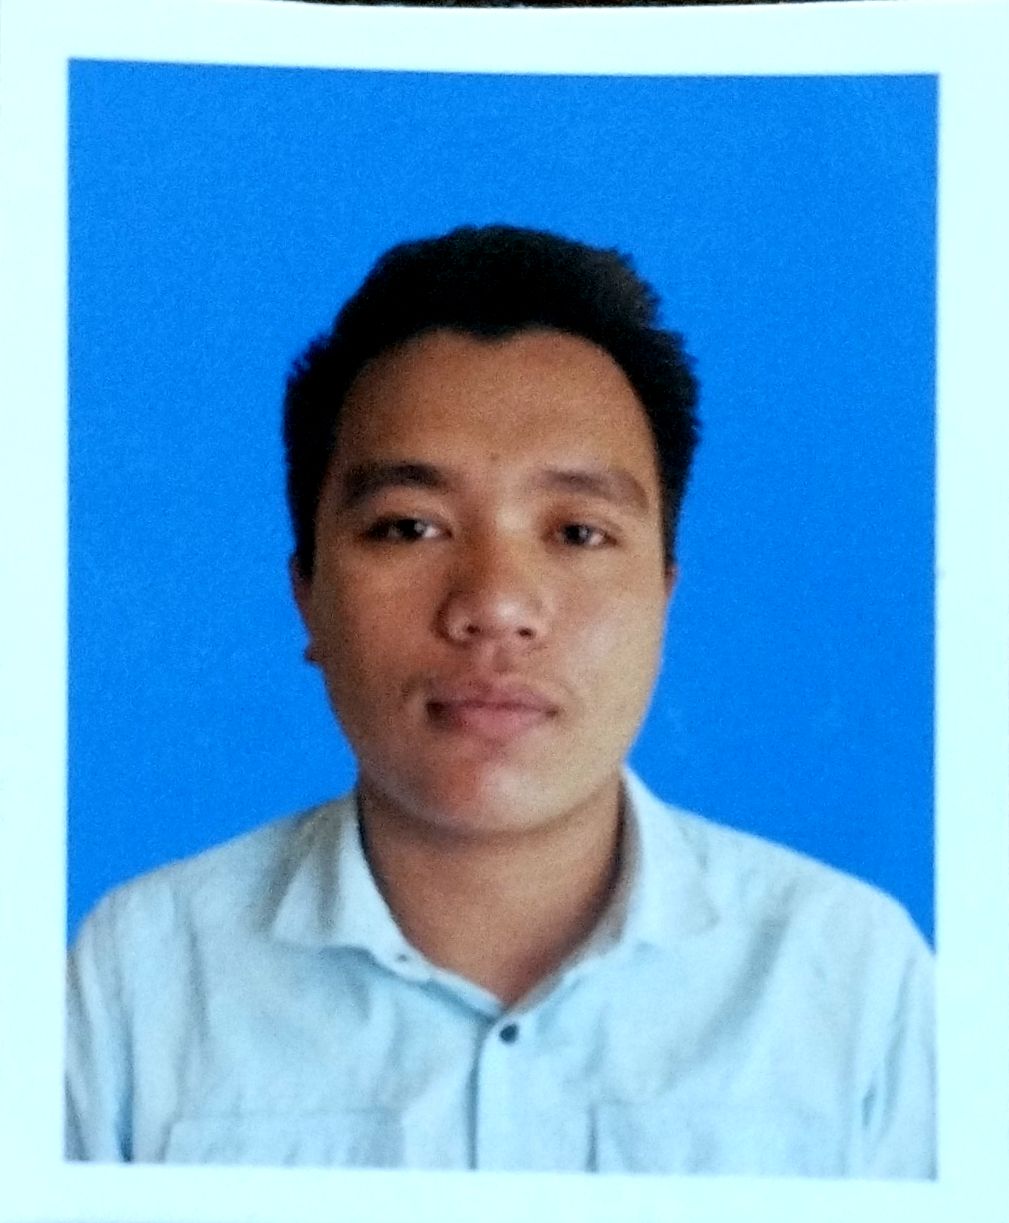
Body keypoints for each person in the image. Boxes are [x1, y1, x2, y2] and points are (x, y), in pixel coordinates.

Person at [66, 224, 934, 1175]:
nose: (495, 604)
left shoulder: (850, 980)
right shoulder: (140, 980)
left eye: (577, 531)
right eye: (409, 526)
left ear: (663, 596)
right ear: (307, 593)